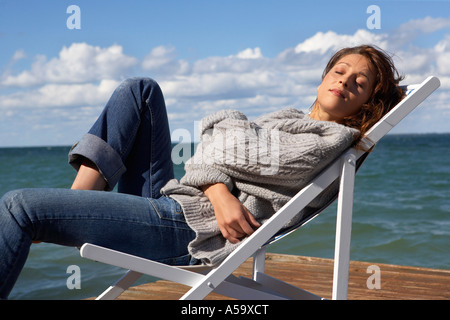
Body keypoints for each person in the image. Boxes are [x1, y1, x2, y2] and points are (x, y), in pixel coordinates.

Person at [0, 45, 403, 299]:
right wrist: (218, 190)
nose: (345, 82)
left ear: (368, 102)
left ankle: (72, 211)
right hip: (179, 204)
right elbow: (218, 140)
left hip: (186, 230)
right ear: (324, 76)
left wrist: (220, 157)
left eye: (360, 82)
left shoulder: (327, 139)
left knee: (18, 208)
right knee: (140, 90)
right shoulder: (291, 118)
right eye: (340, 71)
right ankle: (83, 201)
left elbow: (229, 146)